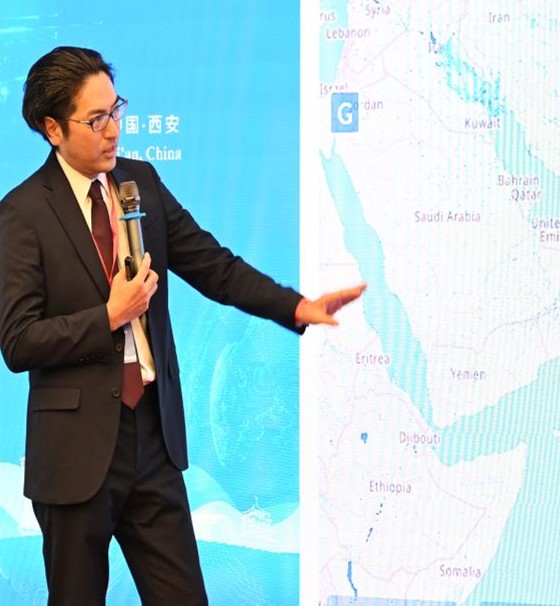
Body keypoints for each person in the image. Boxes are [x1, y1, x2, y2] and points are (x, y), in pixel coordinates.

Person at [0, 46, 365, 605]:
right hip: (74, 455)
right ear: (53, 128)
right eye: (95, 120)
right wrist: (110, 316)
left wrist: (295, 307)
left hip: (153, 439)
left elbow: (214, 266)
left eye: (115, 111)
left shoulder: (140, 184)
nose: (112, 130)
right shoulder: (23, 212)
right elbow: (19, 341)